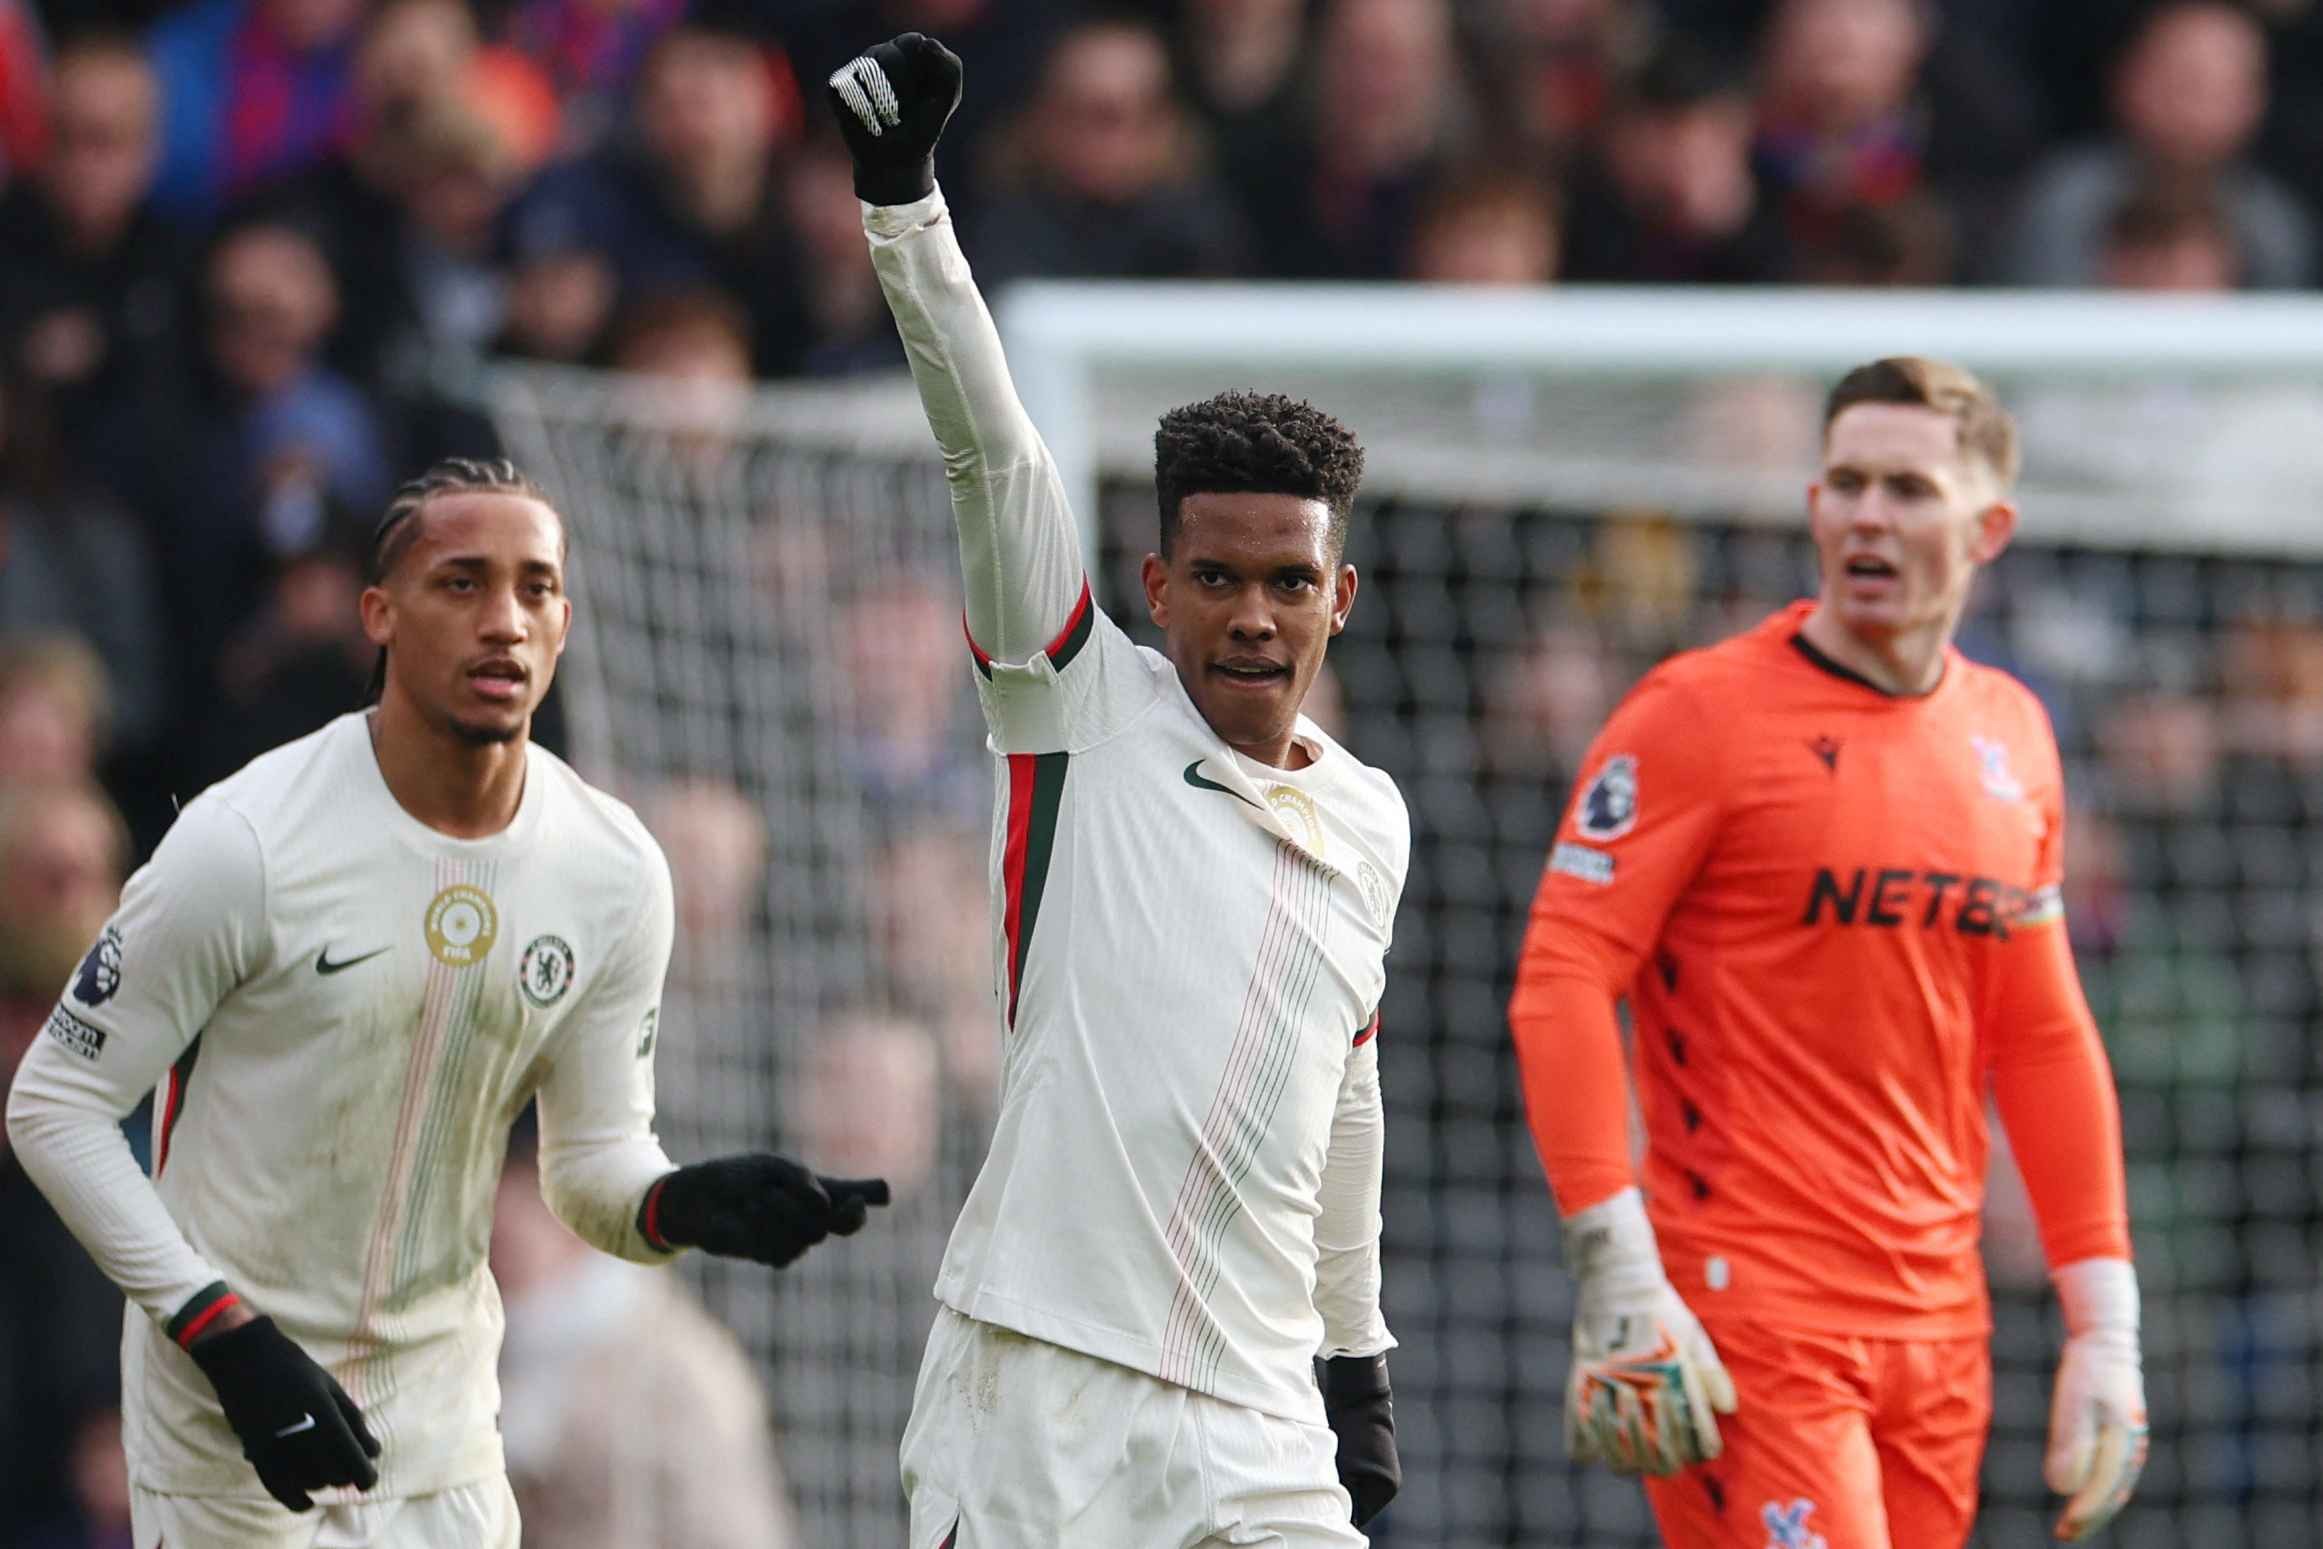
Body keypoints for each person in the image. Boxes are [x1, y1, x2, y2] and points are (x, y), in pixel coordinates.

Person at [4, 456, 889, 1549]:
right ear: (379, 615)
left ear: (566, 618)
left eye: (535, 587)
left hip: (445, 1446)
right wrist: (221, 1331)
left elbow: (590, 1166)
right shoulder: (247, 843)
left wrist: (677, 1205)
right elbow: (54, 1104)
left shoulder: (610, 871)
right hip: (227, 1445)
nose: (505, 622)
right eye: (462, 584)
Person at [831, 35, 1404, 1546]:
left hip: (1262, 1410)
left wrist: (1354, 1364)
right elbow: (989, 459)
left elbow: (1342, 1102)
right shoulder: (1073, 706)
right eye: (1214, 579)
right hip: (1039, 1383)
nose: (1253, 615)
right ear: (1156, 585)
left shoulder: (1371, 821)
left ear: (1337, 596)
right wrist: (907, 206)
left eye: (1289, 581)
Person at [1508, 358, 2147, 1548]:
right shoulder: (1696, 715)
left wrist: (2103, 1319)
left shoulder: (2012, 734)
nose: (1865, 513)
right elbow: (1560, 979)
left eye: (1906, 488)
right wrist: (1618, 1267)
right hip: (1746, 1314)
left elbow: (2046, 1033)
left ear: (1987, 527)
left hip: (1940, 1324)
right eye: (1844, 482)